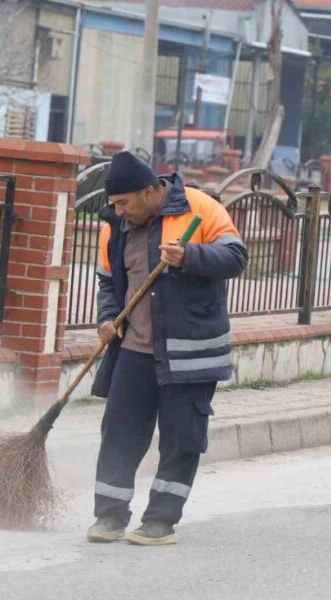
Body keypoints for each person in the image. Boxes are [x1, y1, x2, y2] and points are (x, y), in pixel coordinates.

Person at [86, 151, 247, 546]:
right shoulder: (115, 226)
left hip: (191, 351)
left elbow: (235, 257)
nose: (120, 212)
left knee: (181, 438)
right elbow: (108, 282)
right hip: (134, 351)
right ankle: (109, 517)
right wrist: (107, 319)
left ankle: (160, 521)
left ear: (149, 191)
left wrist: (189, 255)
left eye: (125, 203)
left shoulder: (201, 208)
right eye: (115, 205)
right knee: (119, 433)